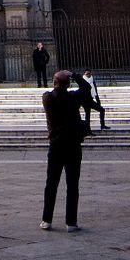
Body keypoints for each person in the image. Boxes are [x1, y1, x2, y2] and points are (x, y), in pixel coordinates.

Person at [41, 70, 87, 231]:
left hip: (56, 145)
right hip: (73, 145)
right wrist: (75, 75)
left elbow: (54, 89)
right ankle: (71, 223)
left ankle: (46, 220)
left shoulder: (47, 98)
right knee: (72, 185)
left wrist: (62, 78)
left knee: (51, 184)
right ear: (68, 84)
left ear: (54, 82)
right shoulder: (73, 98)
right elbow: (86, 88)